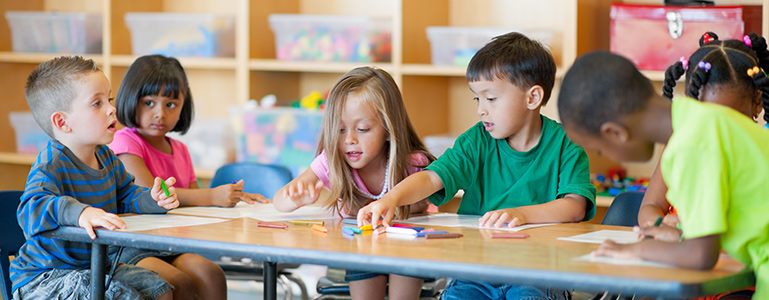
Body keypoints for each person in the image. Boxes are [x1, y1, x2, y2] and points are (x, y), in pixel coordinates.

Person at [357, 32, 596, 300]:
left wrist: (522, 214)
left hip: (538, 272)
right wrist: (391, 199)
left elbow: (575, 207)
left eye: (491, 99)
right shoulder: (476, 141)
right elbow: (431, 179)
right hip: (476, 272)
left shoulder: (567, 145)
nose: (481, 109)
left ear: (532, 98)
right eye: (477, 99)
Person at [557, 51, 769, 299]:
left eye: (600, 149)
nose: (604, 154)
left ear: (616, 133)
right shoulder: (697, 120)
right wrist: (682, 233)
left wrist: (637, 251)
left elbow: (701, 256)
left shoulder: (690, 145)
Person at [9, 56, 178, 299]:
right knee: (126, 296)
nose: (112, 109)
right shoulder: (52, 163)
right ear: (62, 122)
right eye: (96, 103)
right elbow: (31, 208)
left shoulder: (106, 157)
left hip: (96, 265)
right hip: (45, 277)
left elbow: (128, 196)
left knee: (160, 290)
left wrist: (153, 199)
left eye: (108, 99)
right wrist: (81, 213)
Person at [273, 66, 436, 300]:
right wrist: (293, 198)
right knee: (362, 261)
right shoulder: (332, 162)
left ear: (389, 129)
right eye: (340, 130)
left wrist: (409, 206)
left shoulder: (412, 164)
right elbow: (279, 201)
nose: (349, 139)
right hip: (363, 249)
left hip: (407, 248)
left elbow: (429, 204)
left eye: (362, 129)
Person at [109, 55, 241, 299]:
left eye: (171, 104)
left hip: (171, 243)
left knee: (211, 273)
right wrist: (213, 195)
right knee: (178, 283)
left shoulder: (180, 150)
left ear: (183, 104)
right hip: (132, 245)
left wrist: (232, 198)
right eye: (149, 103)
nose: (160, 114)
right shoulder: (125, 141)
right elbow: (151, 196)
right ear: (130, 99)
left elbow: (194, 205)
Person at [638, 32, 769, 244]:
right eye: (704, 117)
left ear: (757, 103)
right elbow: (649, 207)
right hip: (683, 253)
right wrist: (659, 225)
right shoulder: (681, 143)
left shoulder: (758, 150)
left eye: (726, 119)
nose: (713, 129)